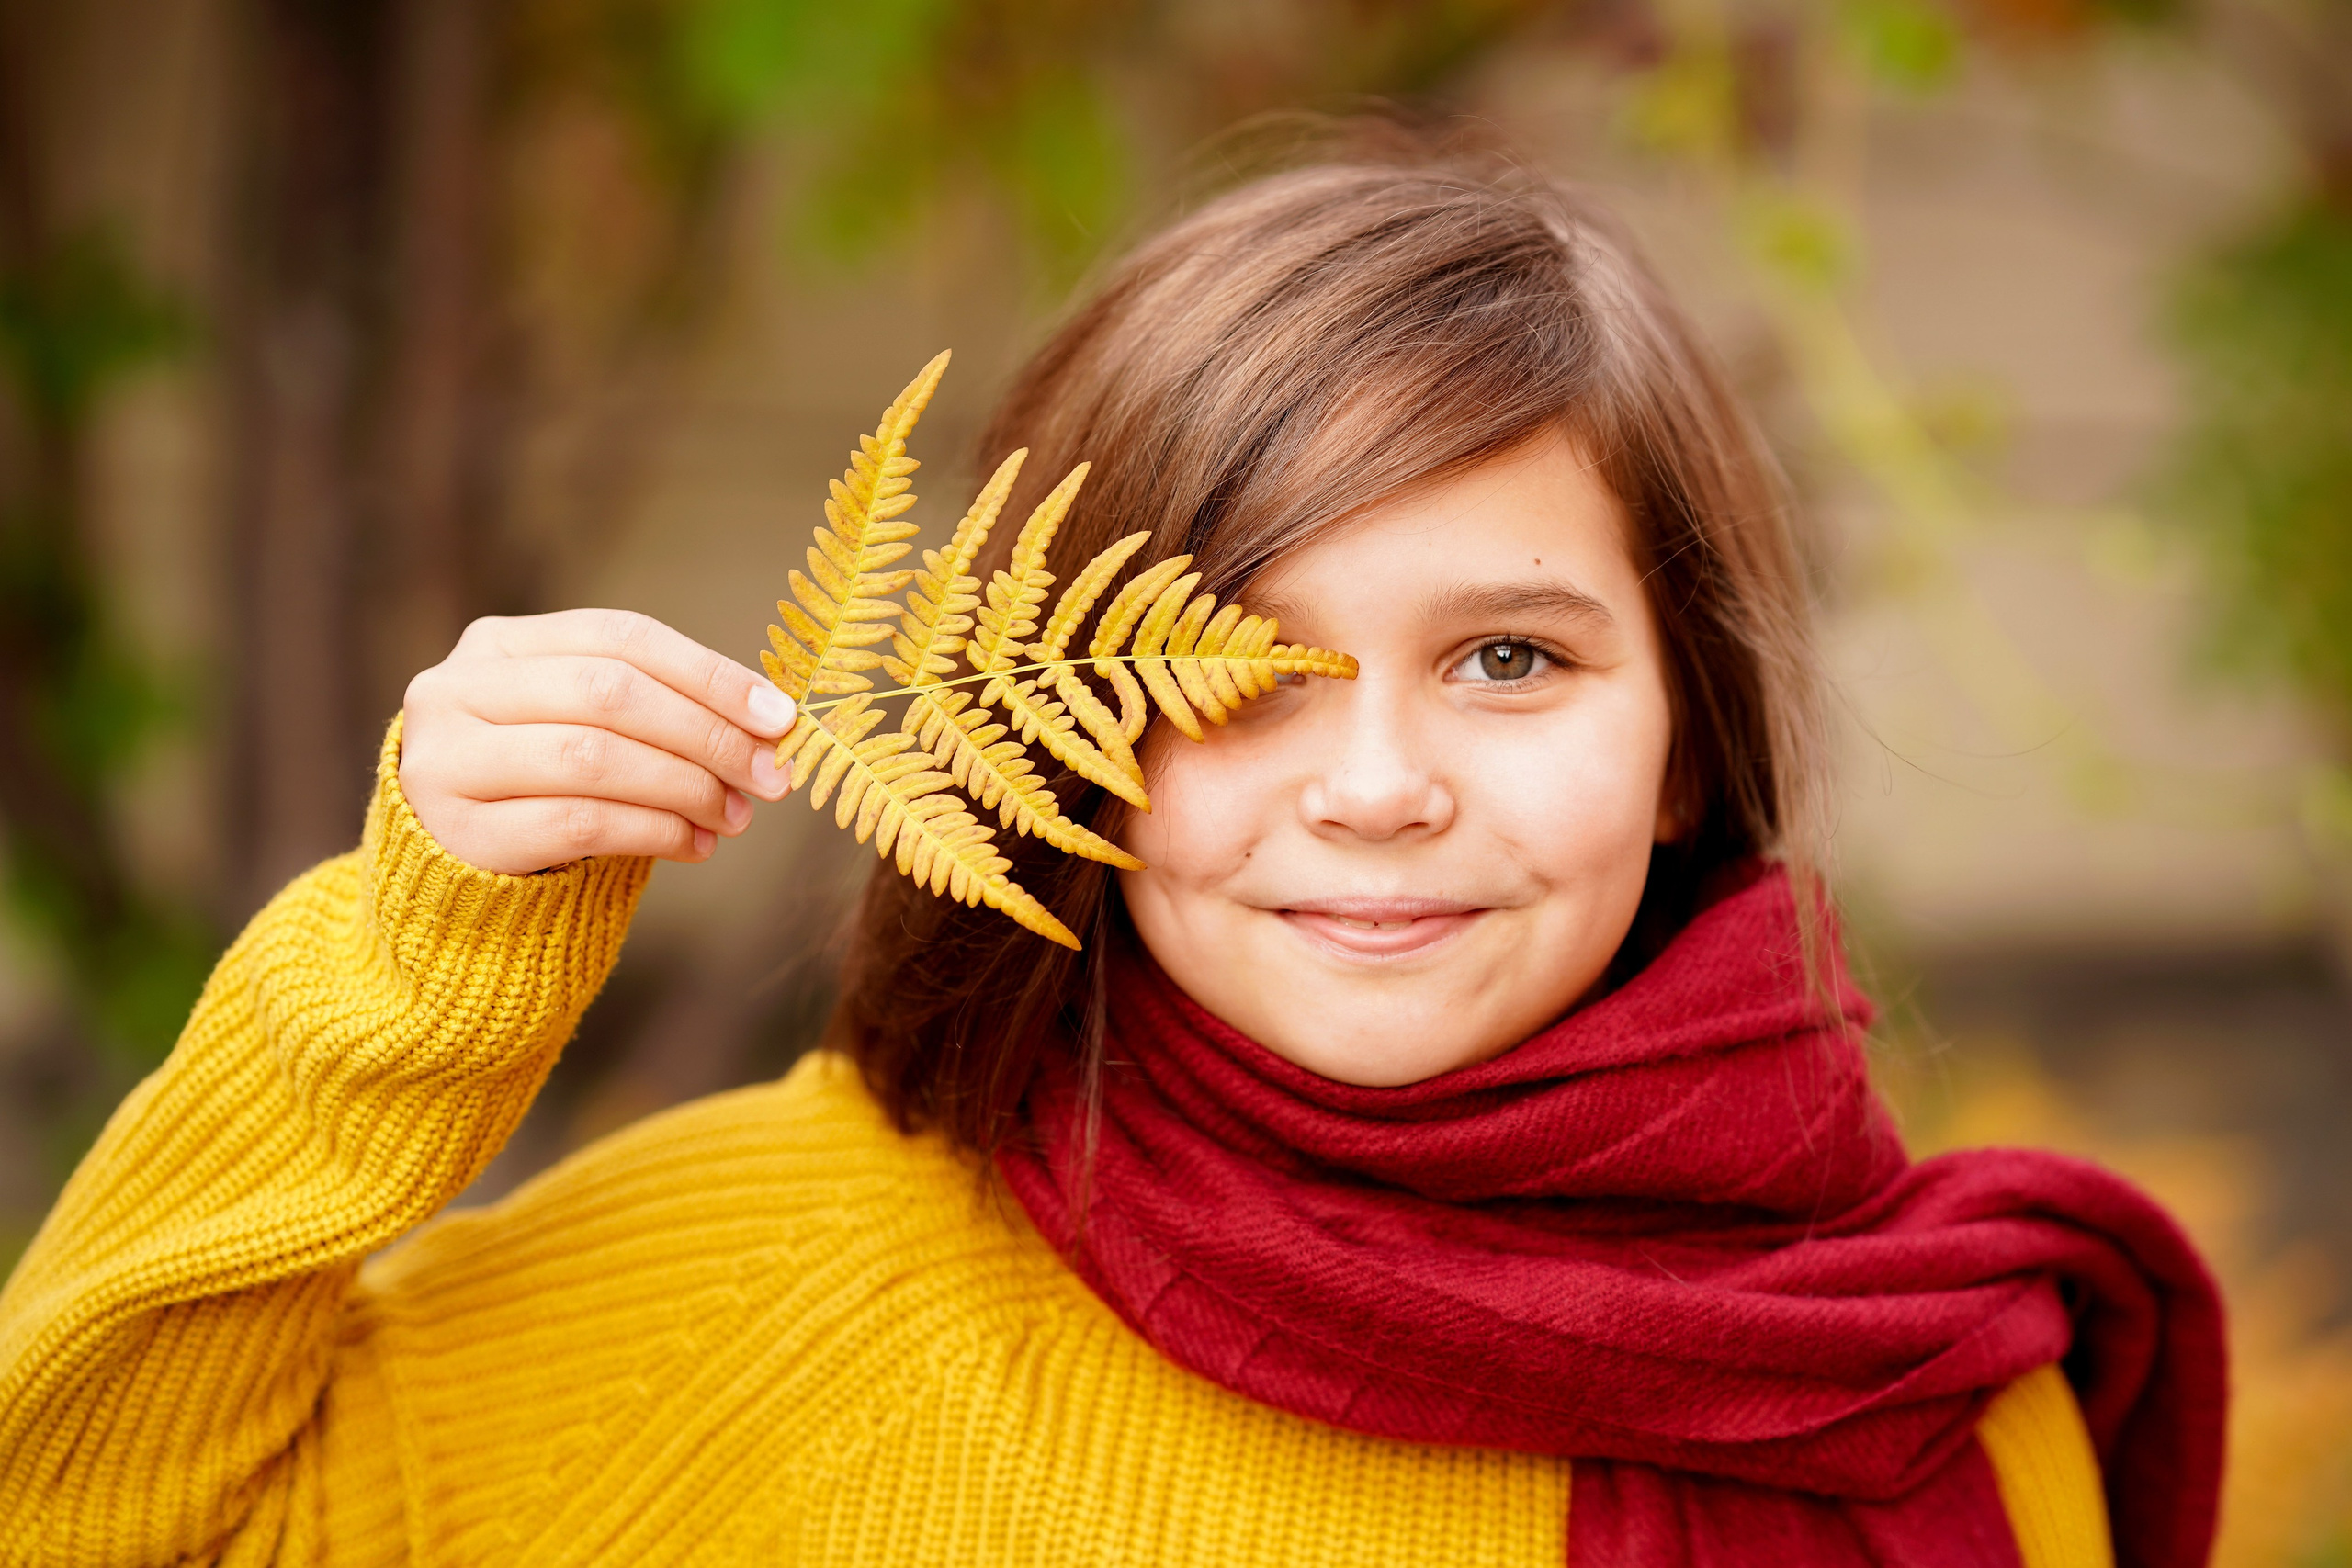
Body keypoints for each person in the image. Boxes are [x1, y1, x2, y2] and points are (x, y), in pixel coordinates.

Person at [0, 132, 2223, 1567]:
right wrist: (408, 973)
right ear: (1058, 743)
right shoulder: (773, 1281)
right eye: (1237, 664)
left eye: (1511, 660)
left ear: (1682, 740)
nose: (1371, 783)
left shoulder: (1915, 1378)